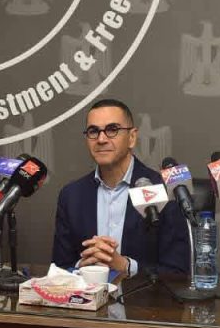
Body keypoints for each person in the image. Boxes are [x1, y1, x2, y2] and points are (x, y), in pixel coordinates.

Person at [52, 98, 189, 276]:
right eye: (93, 131)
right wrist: (84, 265)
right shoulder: (71, 195)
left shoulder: (165, 189)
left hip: (143, 294)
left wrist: (126, 266)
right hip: (87, 293)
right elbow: (60, 268)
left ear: (132, 137)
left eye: (112, 130)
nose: (101, 139)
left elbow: (178, 271)